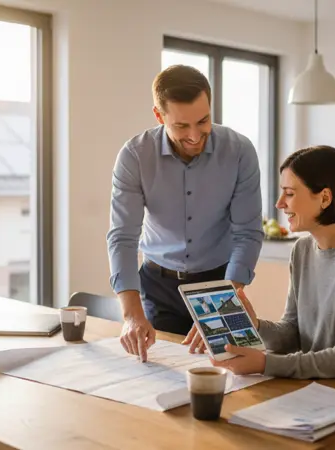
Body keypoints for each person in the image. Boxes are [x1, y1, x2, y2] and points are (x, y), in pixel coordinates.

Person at [185, 145, 335, 379]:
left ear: (325, 198)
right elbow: (292, 333)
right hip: (325, 387)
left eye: (289, 193)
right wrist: (255, 324)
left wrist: (266, 364)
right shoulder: (302, 250)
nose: (279, 203)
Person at [107, 64, 264, 362]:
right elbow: (123, 237)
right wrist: (131, 314)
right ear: (159, 115)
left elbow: (248, 233)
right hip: (158, 288)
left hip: (221, 284)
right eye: (182, 126)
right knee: (158, 377)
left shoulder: (240, 151)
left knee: (230, 376)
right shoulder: (134, 156)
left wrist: (224, 302)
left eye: (203, 121)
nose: (195, 135)